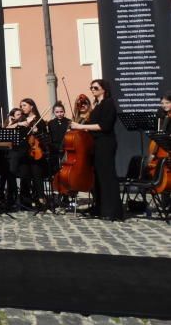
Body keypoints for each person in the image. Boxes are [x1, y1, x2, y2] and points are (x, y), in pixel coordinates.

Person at [70, 79, 123, 221]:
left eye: (95, 87)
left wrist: (80, 127)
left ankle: (113, 211)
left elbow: (104, 126)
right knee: (98, 177)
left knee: (107, 176)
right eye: (91, 87)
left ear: (103, 89)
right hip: (96, 144)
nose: (92, 90)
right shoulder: (98, 105)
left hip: (105, 143)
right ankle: (100, 207)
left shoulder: (108, 103)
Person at [8, 98, 49, 210]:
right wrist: (19, 124)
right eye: (21, 106)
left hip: (35, 152)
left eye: (24, 105)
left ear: (32, 106)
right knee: (24, 177)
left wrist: (37, 132)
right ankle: (25, 201)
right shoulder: (22, 119)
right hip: (23, 152)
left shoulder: (39, 120)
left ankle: (40, 199)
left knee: (37, 176)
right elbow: (7, 128)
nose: (22, 108)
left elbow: (45, 138)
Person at [48, 102, 70, 185]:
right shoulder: (51, 123)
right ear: (54, 113)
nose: (59, 114)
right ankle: (57, 186)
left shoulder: (68, 122)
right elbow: (50, 136)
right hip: (55, 148)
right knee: (56, 169)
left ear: (64, 111)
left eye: (61, 111)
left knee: (65, 169)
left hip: (66, 147)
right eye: (57, 112)